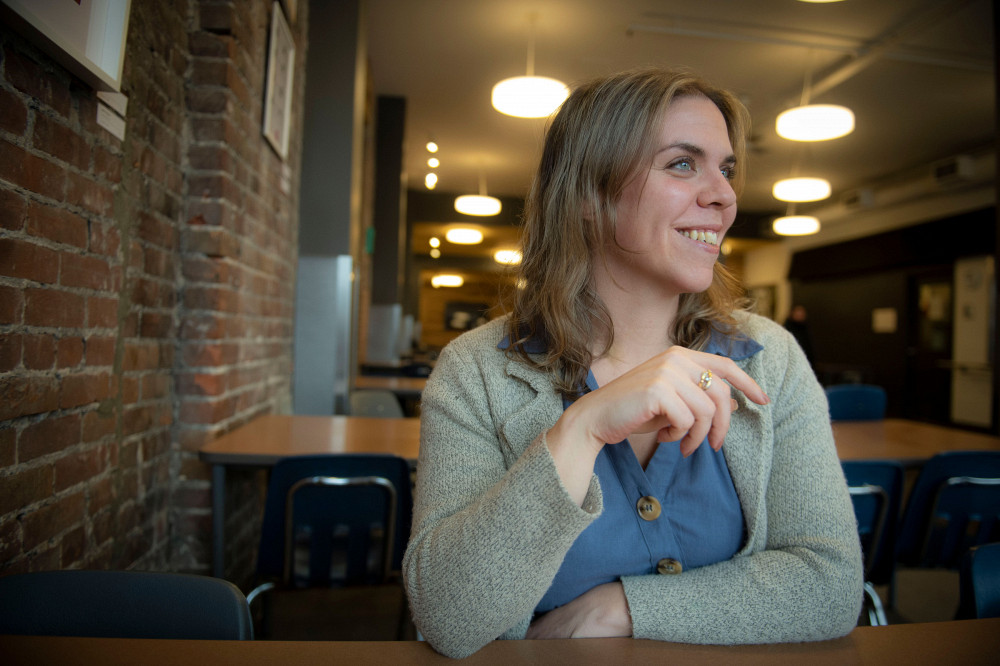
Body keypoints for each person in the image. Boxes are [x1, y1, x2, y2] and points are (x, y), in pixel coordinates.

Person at [402, 67, 863, 659]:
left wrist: (620, 608)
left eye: (725, 170)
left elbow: (830, 586)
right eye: (682, 164)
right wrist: (582, 428)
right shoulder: (477, 372)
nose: (724, 196)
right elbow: (449, 617)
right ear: (588, 196)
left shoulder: (769, 359)